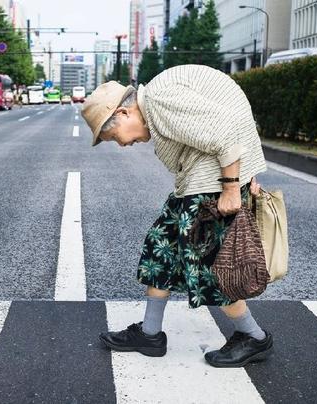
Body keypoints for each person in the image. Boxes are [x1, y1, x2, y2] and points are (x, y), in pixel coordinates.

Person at [81, 64, 273, 368]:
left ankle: (254, 337)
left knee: (210, 266)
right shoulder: (157, 104)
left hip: (213, 182)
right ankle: (150, 334)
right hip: (202, 178)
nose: (122, 144)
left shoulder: (158, 100)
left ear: (123, 113)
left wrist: (232, 187)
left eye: (113, 137)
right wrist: (244, 172)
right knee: (161, 251)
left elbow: (223, 129)